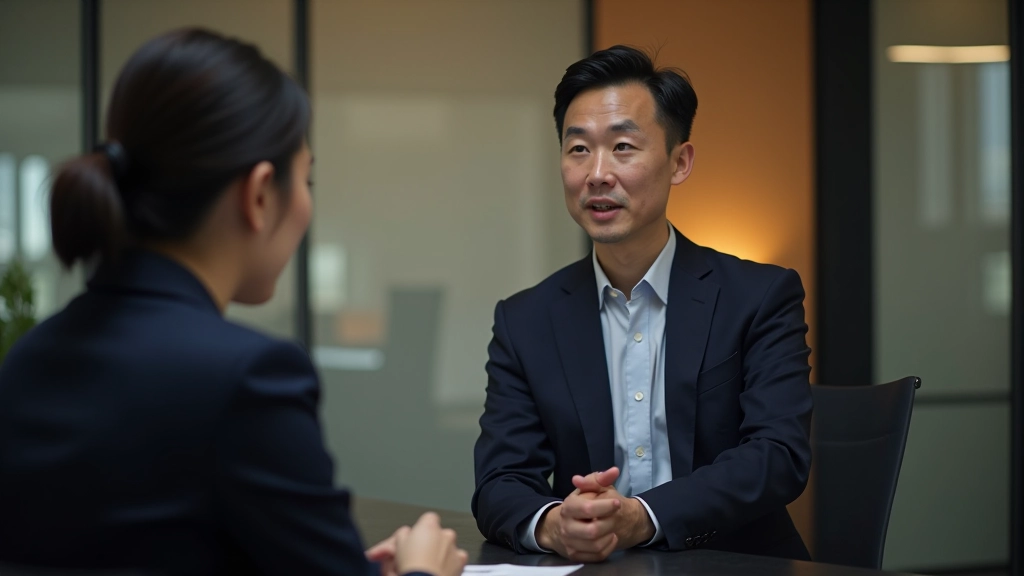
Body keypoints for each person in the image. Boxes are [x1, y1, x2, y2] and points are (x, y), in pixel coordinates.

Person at [0, 28, 466, 576]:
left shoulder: (29, 359)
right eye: (306, 179)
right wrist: (422, 572)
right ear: (261, 193)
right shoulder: (247, 378)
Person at [472, 45, 813, 563]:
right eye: (578, 148)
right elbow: (501, 480)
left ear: (680, 162)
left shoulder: (759, 296)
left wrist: (642, 516)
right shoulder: (525, 320)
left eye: (624, 147)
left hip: (734, 562)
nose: (597, 174)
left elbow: (777, 456)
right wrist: (553, 524)